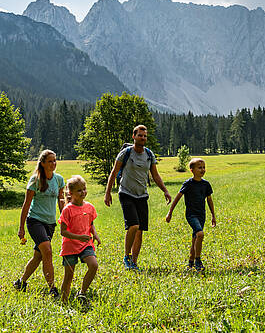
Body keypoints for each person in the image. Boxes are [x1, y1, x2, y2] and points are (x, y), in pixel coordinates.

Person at [104, 124, 172, 270]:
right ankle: (126, 256)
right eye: (140, 135)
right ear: (133, 136)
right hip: (126, 193)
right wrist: (108, 192)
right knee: (133, 225)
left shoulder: (149, 154)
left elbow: (155, 175)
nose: (142, 138)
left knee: (140, 230)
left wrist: (165, 191)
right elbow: (114, 172)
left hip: (142, 195)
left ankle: (134, 262)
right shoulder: (126, 153)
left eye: (145, 135)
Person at [15, 149, 65, 297]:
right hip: (35, 221)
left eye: (55, 161)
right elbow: (26, 204)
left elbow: (61, 202)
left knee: (39, 256)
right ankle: (52, 289)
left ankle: (21, 282)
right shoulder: (35, 180)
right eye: (50, 161)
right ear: (42, 163)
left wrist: (65, 220)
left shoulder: (59, 179)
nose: (53, 164)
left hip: (50, 224)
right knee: (47, 252)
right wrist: (21, 227)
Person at [165, 157, 216, 272]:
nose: (202, 170)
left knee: (195, 238)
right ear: (192, 170)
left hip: (201, 215)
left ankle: (190, 262)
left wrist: (213, 215)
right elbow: (177, 198)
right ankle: (198, 261)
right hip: (191, 215)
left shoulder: (206, 184)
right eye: (199, 168)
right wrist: (170, 213)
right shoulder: (188, 184)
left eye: (204, 167)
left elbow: (209, 200)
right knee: (200, 234)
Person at [59, 175, 101, 303]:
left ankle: (82, 292)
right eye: (79, 190)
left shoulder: (89, 207)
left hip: (85, 244)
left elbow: (90, 224)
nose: (83, 192)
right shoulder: (67, 210)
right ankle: (63, 302)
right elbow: (63, 232)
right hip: (70, 246)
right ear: (71, 193)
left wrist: (95, 234)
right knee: (69, 276)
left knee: (93, 265)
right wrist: (79, 237)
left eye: (84, 189)